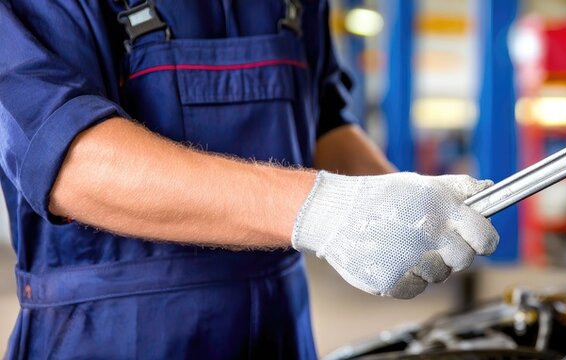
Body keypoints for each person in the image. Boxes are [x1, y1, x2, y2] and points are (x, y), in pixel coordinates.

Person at [0, 0, 498, 357]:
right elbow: (71, 161)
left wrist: (409, 205)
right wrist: (330, 211)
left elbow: (321, 122)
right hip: (109, 332)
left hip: (280, 321)